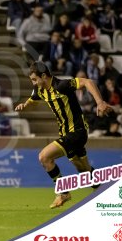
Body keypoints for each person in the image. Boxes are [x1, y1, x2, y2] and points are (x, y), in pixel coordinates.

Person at [15, 61, 113, 209]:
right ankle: (105, 194)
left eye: (35, 79)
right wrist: (25, 105)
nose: (34, 83)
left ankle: (63, 192)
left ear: (43, 76)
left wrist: (99, 102)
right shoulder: (40, 90)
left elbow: (87, 81)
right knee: (84, 170)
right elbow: (33, 100)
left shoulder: (61, 86)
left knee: (44, 157)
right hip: (67, 133)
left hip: (77, 132)